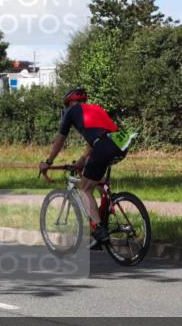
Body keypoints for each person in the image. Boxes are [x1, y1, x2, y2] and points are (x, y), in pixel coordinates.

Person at [38, 87, 125, 245]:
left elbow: (60, 140)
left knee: (84, 188)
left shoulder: (72, 112)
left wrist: (48, 162)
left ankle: (99, 229)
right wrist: (82, 159)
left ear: (70, 103)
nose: (66, 109)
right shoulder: (96, 109)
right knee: (96, 179)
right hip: (120, 144)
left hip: (104, 146)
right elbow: (99, 137)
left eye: (66, 106)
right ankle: (105, 210)